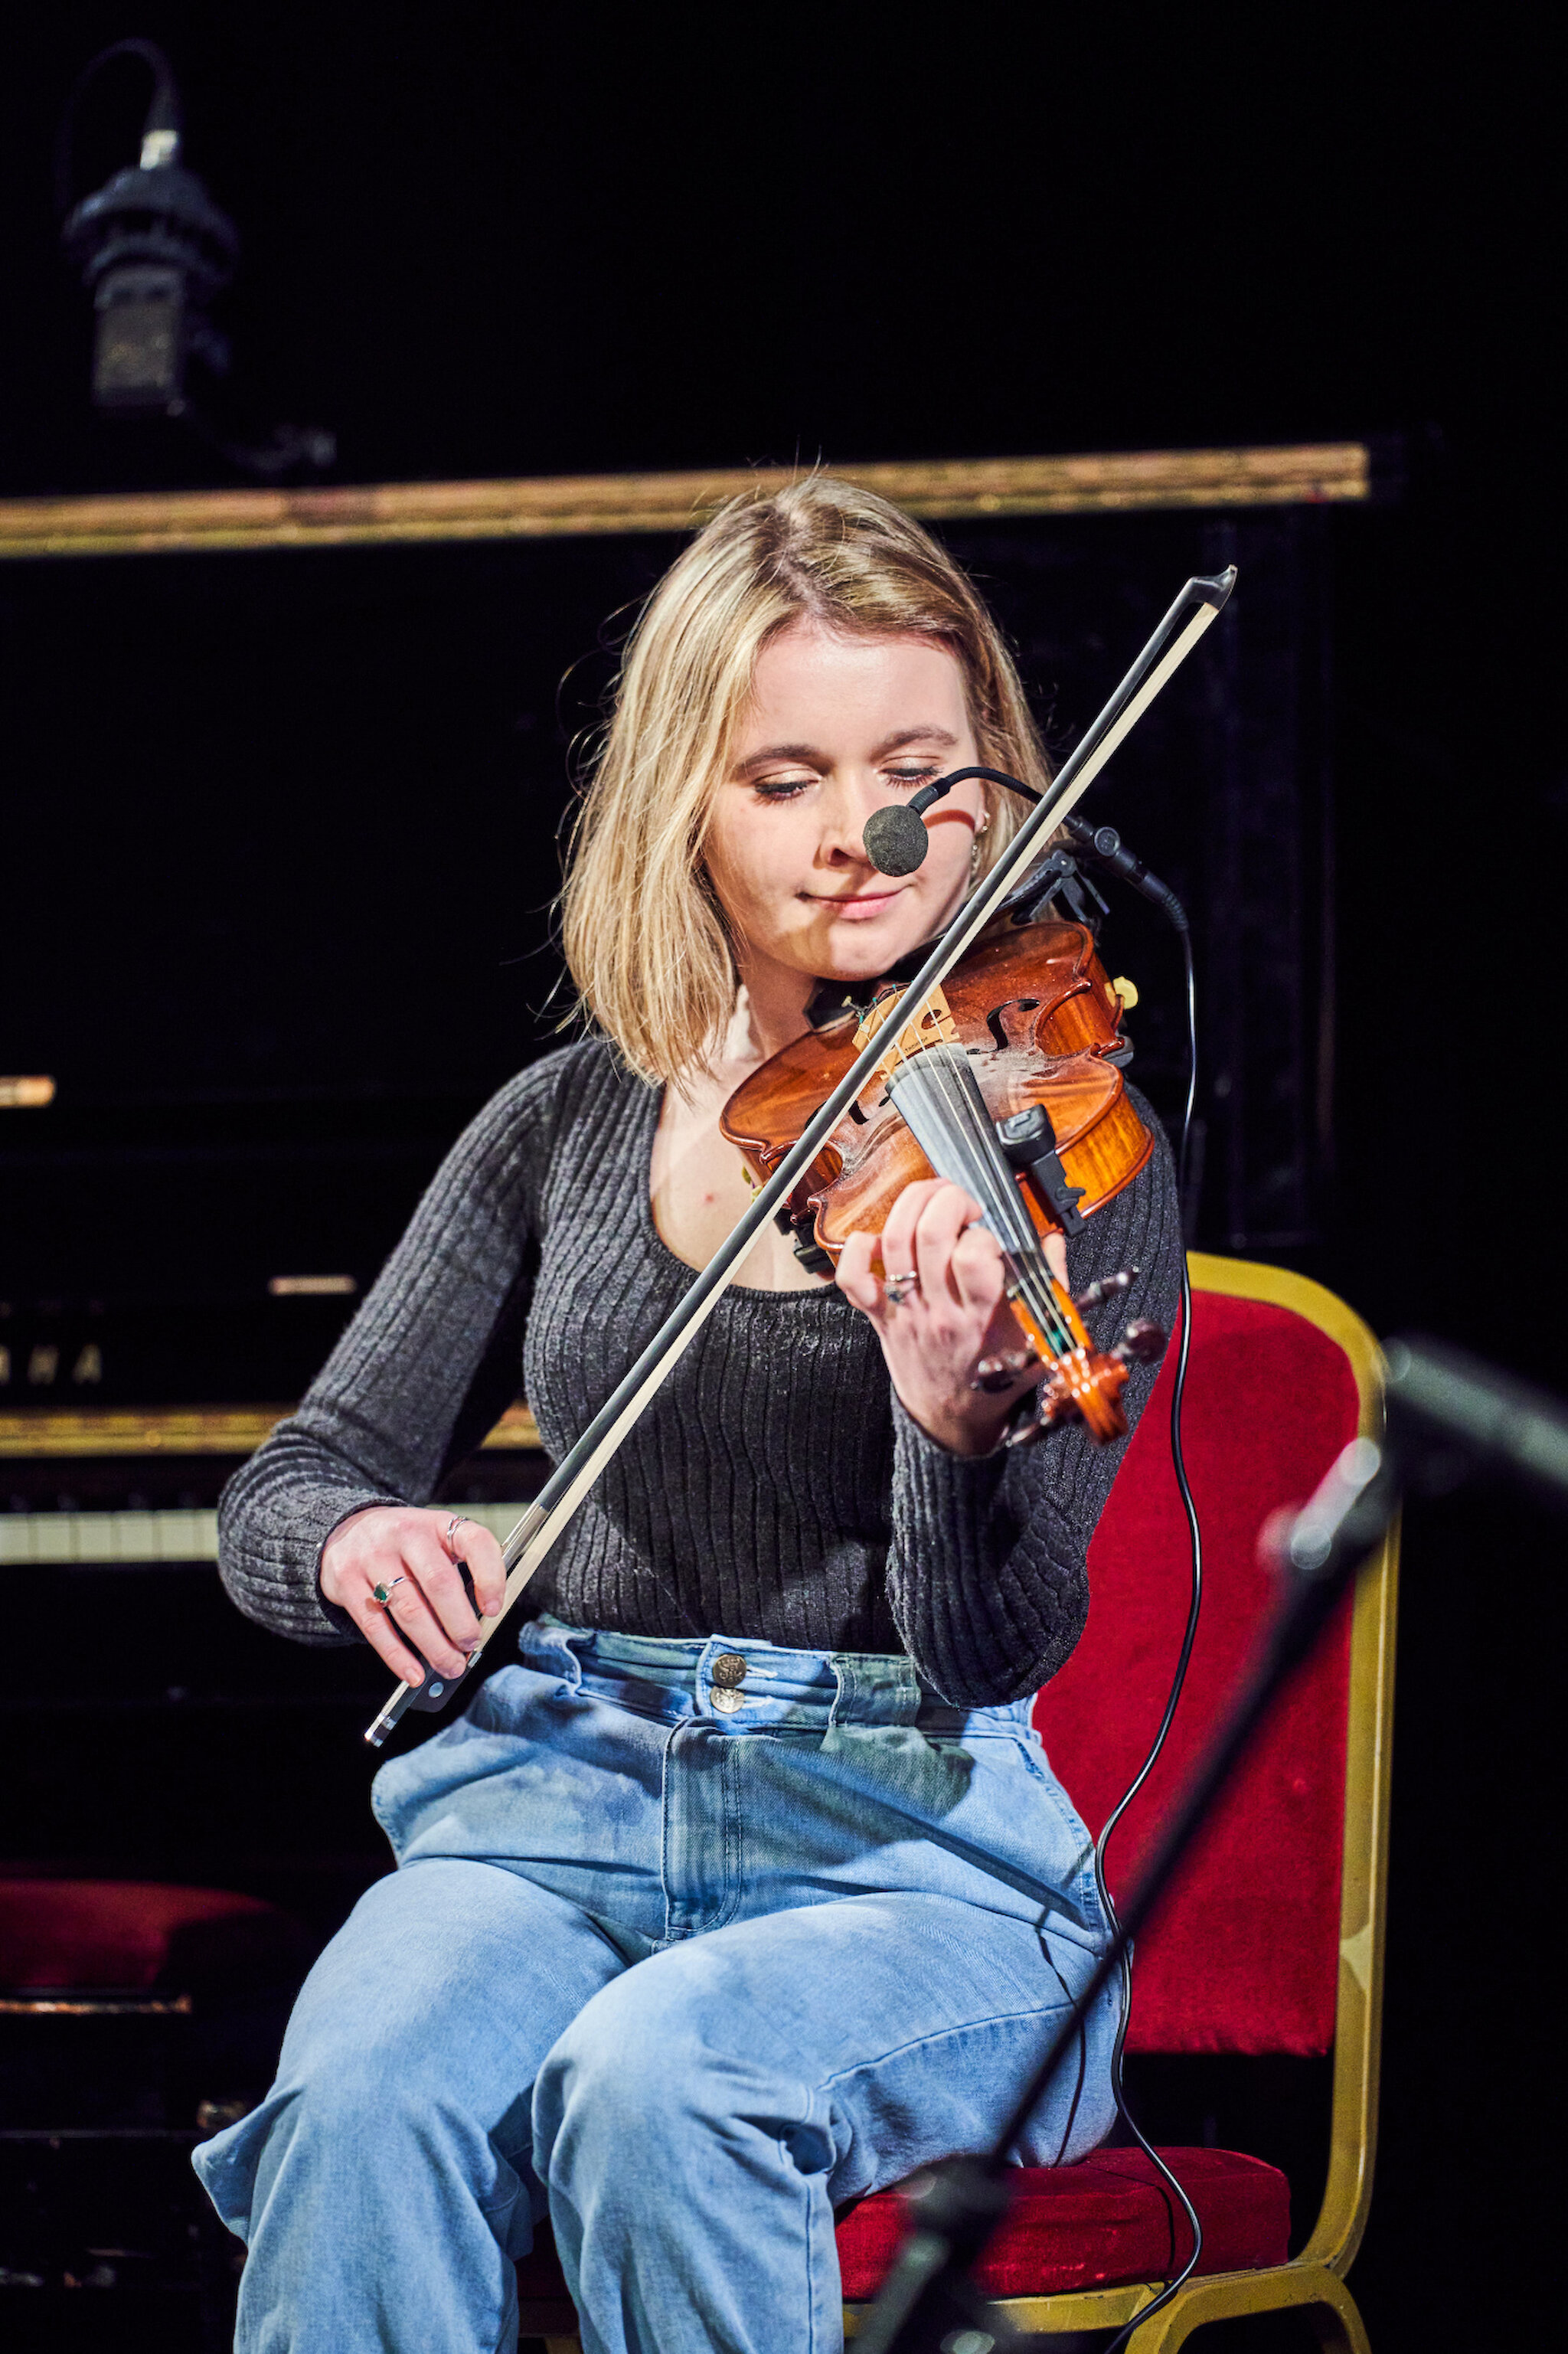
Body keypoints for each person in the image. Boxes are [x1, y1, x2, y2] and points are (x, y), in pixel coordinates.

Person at [193, 476, 1180, 2354]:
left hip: (908, 1842)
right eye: (785, 779)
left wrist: (948, 1433)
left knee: (667, 2079)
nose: (863, 838)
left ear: (991, 789)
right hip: (551, 1807)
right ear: (684, 808)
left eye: (916, 772)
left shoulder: (1061, 1130)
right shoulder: (565, 1121)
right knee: (363, 2095)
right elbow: (294, 1486)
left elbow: (996, 1652)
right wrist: (349, 1537)